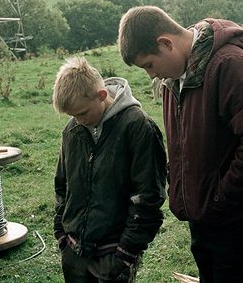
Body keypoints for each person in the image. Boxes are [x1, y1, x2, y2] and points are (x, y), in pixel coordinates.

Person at [118, 6, 243, 283]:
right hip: (205, 216)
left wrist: (221, 197)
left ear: (166, 43)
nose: (151, 75)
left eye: (149, 64)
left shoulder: (230, 64)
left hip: (241, 218)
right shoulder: (175, 77)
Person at [52, 56, 167, 283]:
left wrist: (125, 254)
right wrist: (62, 235)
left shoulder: (138, 127)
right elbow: (62, 184)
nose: (78, 120)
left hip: (113, 257)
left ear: (102, 96)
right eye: (72, 116)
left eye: (82, 113)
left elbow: (149, 197)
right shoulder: (72, 129)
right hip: (73, 253)